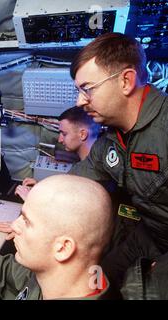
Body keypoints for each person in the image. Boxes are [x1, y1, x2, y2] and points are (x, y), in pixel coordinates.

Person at [68, 32, 167, 290]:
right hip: (151, 237)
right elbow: (75, 182)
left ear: (126, 81)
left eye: (87, 89)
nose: (80, 101)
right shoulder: (111, 141)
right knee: (96, 284)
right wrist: (34, 211)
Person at [0, 106, 100, 238]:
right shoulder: (87, 164)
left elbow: (69, 222)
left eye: (64, 134)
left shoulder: (89, 174)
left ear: (83, 134)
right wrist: (41, 187)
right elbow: (68, 197)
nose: (60, 139)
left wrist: (32, 200)